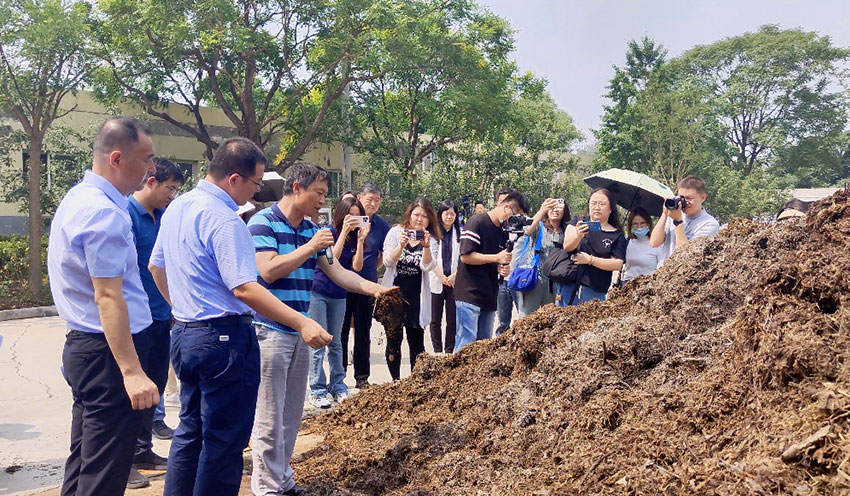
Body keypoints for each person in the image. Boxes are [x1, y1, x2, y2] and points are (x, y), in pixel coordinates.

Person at [150, 138, 331, 496]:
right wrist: (302, 321)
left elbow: (157, 267)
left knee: (190, 432)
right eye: (256, 183)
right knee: (224, 441)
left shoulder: (179, 206)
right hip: (223, 340)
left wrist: (183, 310)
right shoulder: (223, 218)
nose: (256, 191)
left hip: (186, 335)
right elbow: (245, 289)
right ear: (235, 178)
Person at [248, 163, 395, 496]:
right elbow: (268, 271)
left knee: (290, 414)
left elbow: (338, 273)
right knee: (269, 416)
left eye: (324, 195)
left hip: (300, 331)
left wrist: (375, 289)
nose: (321, 201)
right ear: (296, 188)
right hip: (270, 331)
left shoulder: (311, 230)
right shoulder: (263, 223)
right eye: (318, 193)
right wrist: (312, 247)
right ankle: (267, 488)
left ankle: (283, 480)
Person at [48, 116, 159, 496]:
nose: (151, 170)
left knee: (86, 460)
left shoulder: (80, 198)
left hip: (89, 348)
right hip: (109, 355)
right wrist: (131, 372)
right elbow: (108, 295)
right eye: (146, 159)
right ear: (116, 158)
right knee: (105, 473)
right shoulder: (104, 212)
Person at [126, 157, 184, 488]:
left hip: (163, 315)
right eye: (169, 188)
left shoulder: (164, 217)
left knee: (156, 387)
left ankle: (142, 450)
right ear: (150, 182)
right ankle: (121, 461)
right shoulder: (126, 216)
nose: (172, 196)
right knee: (129, 394)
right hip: (134, 319)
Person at [307, 194, 370, 408]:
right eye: (350, 216)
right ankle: (317, 389)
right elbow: (331, 258)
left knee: (336, 342)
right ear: (341, 215)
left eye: (357, 216)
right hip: (319, 291)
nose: (353, 220)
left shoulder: (356, 238)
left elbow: (357, 267)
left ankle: (338, 385)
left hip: (339, 294)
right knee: (318, 342)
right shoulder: (328, 233)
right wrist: (343, 231)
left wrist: (360, 241)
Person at [454, 191, 530, 352]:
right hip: (469, 293)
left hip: (489, 294)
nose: (516, 222)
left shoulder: (502, 230)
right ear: (507, 208)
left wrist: (501, 267)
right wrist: (496, 258)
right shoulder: (477, 222)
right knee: (465, 344)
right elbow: (466, 257)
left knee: (484, 347)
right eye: (516, 216)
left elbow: (495, 259)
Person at [381, 198, 441, 379]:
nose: (419, 219)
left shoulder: (431, 240)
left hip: (416, 297)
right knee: (393, 341)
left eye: (424, 216)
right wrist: (401, 245)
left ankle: (415, 382)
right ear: (409, 214)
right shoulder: (395, 232)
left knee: (417, 342)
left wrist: (427, 247)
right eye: (416, 214)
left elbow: (427, 266)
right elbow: (388, 262)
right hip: (394, 295)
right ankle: (395, 381)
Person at [342, 183, 391, 389]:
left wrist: (372, 269)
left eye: (377, 201)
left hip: (366, 285)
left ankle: (362, 377)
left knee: (363, 331)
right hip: (342, 283)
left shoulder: (381, 226)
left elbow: (384, 255)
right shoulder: (348, 220)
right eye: (369, 199)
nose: (373, 204)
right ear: (359, 199)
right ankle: (339, 376)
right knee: (341, 331)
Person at [556, 188, 627, 305]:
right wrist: (578, 235)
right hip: (569, 284)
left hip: (595, 289)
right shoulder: (577, 222)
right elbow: (567, 246)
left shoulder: (616, 235)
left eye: (602, 204)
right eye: (593, 203)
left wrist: (590, 260)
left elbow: (617, 264)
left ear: (611, 209)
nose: (597, 207)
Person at [512, 198, 569, 317]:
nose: (555, 211)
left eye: (559, 208)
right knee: (526, 317)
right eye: (552, 208)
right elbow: (527, 230)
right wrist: (542, 209)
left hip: (556, 281)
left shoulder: (567, 231)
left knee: (551, 318)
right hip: (535, 277)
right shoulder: (540, 227)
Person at [650, 175, 720, 265]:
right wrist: (665, 213)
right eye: (681, 197)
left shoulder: (710, 224)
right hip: (663, 273)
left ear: (703, 198)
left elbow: (687, 255)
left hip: (685, 276)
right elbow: (654, 242)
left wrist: (678, 221)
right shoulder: (674, 214)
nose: (684, 202)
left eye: (689, 198)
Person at [429, 200, 461, 354]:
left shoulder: (460, 233)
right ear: (440, 214)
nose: (449, 216)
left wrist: (455, 275)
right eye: (446, 213)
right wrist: (440, 275)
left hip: (454, 281)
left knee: (452, 319)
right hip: (437, 279)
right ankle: (437, 350)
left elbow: (463, 257)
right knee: (435, 319)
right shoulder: (434, 233)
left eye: (452, 213)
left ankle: (449, 350)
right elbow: (430, 257)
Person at [494, 187, 520, 335]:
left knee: (524, 319)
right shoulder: (494, 225)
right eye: (502, 202)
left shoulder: (522, 223)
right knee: (502, 322)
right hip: (501, 280)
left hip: (518, 278)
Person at [621, 207, 661, 283]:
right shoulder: (626, 241)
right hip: (627, 284)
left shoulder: (656, 242)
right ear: (630, 225)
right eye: (635, 224)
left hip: (648, 284)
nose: (639, 227)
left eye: (642, 223)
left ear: (648, 223)